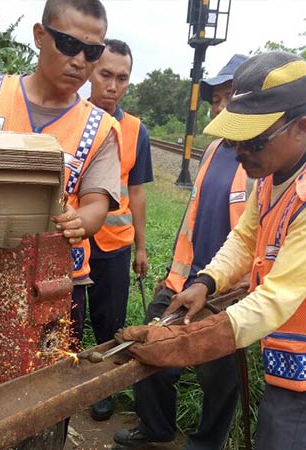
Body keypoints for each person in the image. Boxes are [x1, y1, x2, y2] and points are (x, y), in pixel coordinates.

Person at [119, 51, 306, 450]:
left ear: (299, 127)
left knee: (287, 436)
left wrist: (186, 343)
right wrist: (207, 283)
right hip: (299, 337)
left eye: (253, 141)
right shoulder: (275, 169)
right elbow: (246, 237)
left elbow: (276, 298)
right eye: (234, 139)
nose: (240, 152)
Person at [0, 0, 122, 345]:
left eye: (92, 52)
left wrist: (82, 221)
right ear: (40, 36)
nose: (79, 61)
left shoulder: (100, 129)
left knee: (41, 387)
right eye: (69, 45)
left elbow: (96, 203)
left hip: (53, 286)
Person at [113, 54, 249, 450]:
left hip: (229, 291)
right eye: (215, 99)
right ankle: (155, 427)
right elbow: (192, 218)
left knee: (218, 374)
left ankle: (206, 443)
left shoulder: (261, 161)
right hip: (185, 280)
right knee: (151, 352)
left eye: (228, 98)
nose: (218, 107)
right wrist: (175, 273)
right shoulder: (213, 152)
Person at [85, 39, 154, 422]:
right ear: (91, 72)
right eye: (106, 74)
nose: (113, 85)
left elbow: (138, 192)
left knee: (109, 323)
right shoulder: (72, 120)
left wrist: (141, 248)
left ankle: (102, 388)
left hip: (114, 246)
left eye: (122, 78)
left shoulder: (136, 131)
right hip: (71, 244)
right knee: (66, 316)